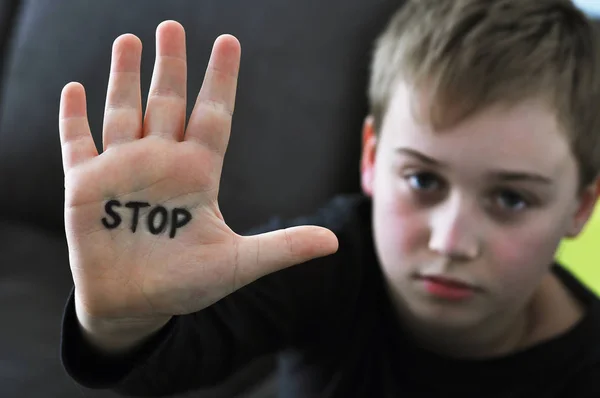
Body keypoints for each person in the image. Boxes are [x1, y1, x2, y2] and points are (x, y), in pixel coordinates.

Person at [59, 0, 600, 396]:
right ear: (370, 158)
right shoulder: (331, 257)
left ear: (580, 207)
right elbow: (163, 367)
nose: (450, 242)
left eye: (510, 198)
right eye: (423, 181)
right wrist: (119, 322)